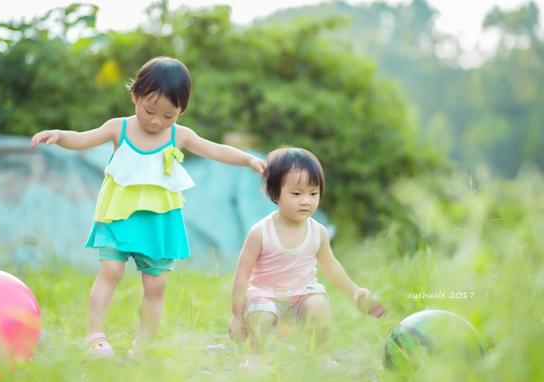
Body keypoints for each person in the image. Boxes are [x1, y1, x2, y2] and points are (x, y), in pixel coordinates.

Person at [30, 56, 266, 359]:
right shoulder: (120, 128)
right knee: (111, 271)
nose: (156, 121)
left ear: (181, 111)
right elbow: (84, 139)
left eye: (169, 115)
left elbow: (216, 150)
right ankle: (95, 336)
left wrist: (247, 159)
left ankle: (143, 344)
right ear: (135, 96)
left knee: (156, 286)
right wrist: (61, 137)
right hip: (119, 215)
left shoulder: (180, 135)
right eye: (149, 110)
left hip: (159, 221)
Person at [227, 147, 385, 369]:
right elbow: (242, 275)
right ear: (274, 193)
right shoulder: (260, 232)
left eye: (313, 193)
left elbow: (331, 265)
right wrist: (236, 315)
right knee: (262, 316)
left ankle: (317, 355)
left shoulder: (317, 231)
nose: (306, 201)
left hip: (302, 295)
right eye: (296, 193)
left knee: (319, 304)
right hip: (267, 296)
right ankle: (257, 356)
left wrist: (354, 292)